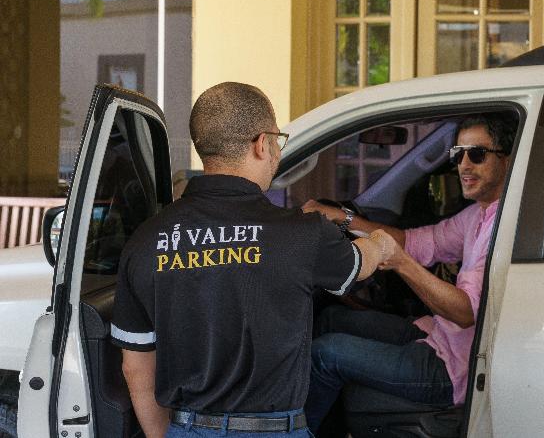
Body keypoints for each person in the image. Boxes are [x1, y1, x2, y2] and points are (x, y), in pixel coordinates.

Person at [110, 82, 398, 437]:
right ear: (262, 144)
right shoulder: (303, 233)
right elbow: (360, 265)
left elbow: (136, 367)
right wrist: (380, 242)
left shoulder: (145, 241)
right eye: (278, 140)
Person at [302, 113, 515, 432]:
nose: (464, 165)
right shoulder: (478, 215)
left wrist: (400, 262)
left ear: (506, 160)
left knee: (324, 354)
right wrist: (339, 217)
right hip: (437, 335)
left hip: (452, 369)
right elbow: (415, 241)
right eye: (458, 155)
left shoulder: (504, 226)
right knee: (331, 318)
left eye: (477, 154)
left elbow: (465, 312)